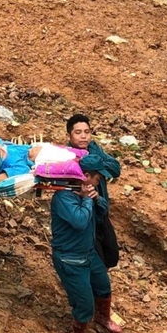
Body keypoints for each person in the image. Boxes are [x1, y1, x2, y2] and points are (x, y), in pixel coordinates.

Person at [50, 155, 123, 333]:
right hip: (70, 259)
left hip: (88, 253)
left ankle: (103, 317)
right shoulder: (63, 197)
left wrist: (97, 199)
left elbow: (103, 211)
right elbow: (80, 221)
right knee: (84, 303)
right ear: (87, 176)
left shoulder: (89, 193)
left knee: (103, 287)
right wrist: (87, 201)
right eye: (98, 179)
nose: (100, 182)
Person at [66, 113, 121, 268]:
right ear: (69, 136)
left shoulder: (94, 149)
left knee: (111, 255)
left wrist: (95, 160)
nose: (83, 136)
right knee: (96, 257)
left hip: (101, 209)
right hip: (84, 214)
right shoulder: (66, 157)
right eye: (78, 132)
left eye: (87, 132)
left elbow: (116, 169)